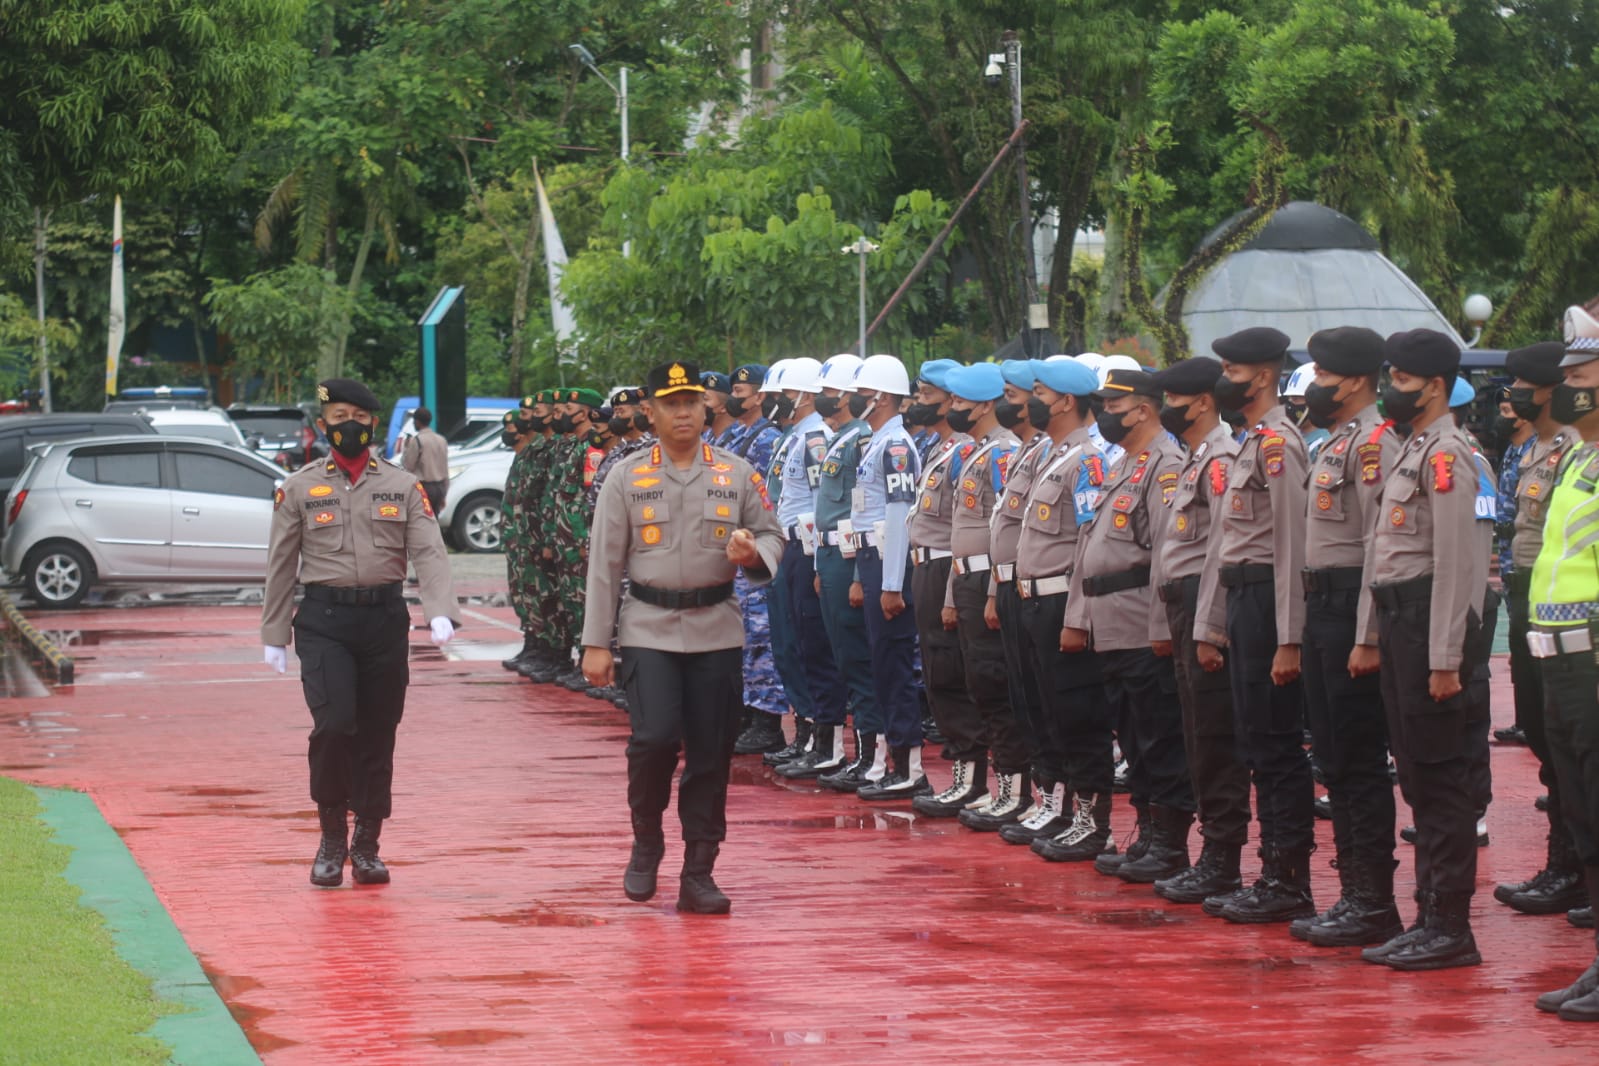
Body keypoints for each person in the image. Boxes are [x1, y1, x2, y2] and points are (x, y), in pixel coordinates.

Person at [580, 360, 785, 914]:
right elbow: (605, 561)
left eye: (691, 402)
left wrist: (754, 556)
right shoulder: (627, 476)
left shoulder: (737, 473)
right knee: (653, 739)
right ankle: (646, 840)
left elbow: (772, 535)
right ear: (650, 411)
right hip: (647, 626)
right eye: (670, 404)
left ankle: (699, 871)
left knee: (711, 752)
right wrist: (595, 642)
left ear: (704, 408)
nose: (683, 413)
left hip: (717, 629)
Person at [261, 378, 458, 887]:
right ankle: (331, 837)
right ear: (323, 424)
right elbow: (281, 563)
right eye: (338, 415)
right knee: (334, 725)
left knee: (377, 732)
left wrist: (440, 609)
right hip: (324, 623)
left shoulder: (402, 484)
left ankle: (366, 845)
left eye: (358, 415)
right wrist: (273, 632)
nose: (349, 424)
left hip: (383, 621)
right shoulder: (300, 487)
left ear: (372, 422)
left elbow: (429, 550)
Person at [1359, 328, 1492, 971]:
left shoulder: (1448, 456)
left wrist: (1445, 657)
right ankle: (1427, 915)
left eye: (1402, 379)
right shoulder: (1412, 450)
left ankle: (1450, 926)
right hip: (1400, 620)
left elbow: (1458, 564)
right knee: (1415, 773)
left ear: (1434, 385)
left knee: (1440, 779)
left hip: (1427, 627)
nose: (1391, 388)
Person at [1193, 326, 1316, 924]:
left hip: (1270, 603)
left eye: (1231, 370)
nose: (1224, 380)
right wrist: (1213, 623)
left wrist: (1290, 637)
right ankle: (1271, 873)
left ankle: (1288, 877)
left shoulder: (1278, 445)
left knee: (1276, 744)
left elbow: (1293, 545)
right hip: (1243, 601)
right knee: (1254, 742)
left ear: (1261, 376)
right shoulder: (1251, 441)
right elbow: (1225, 545)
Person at [1288, 326, 1404, 947]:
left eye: (1324, 376)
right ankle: (1354, 893)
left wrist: (1366, 634)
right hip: (1321, 608)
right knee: (1333, 758)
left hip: (1350, 608)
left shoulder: (1375, 446)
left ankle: (1373, 901)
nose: (1316, 385)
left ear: (1354, 381)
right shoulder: (1335, 442)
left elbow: (1377, 548)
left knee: (1357, 761)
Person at [1064, 366, 1193, 883]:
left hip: (1142, 623)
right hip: (1110, 624)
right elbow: (1091, 546)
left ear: (1143, 409)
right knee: (1134, 739)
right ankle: (1146, 829)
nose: (1106, 416)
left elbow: (1167, 553)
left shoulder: (1165, 465)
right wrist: (1078, 619)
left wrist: (1162, 627)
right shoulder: (1125, 463)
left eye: (1115, 407)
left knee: (1159, 736)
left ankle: (1171, 841)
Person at [1146, 358, 1251, 904]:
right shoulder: (1194, 460)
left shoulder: (1221, 461)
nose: (1168, 409)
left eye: (1175, 399)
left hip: (1205, 608)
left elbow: (1217, 553)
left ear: (1203, 402)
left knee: (1215, 738)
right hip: (1181, 607)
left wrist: (1208, 625)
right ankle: (1212, 855)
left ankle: (1223, 859)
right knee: (1195, 735)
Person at [1495, 342, 1588, 918]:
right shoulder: (1538, 450)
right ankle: (1568, 862)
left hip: (1570, 614)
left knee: (1573, 749)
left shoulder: (1574, 451)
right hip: (1531, 599)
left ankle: (1572, 865)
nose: (1515, 396)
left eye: (1524, 385)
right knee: (1541, 733)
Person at [1527, 304, 1599, 1020]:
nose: (1566, 385)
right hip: (1559, 659)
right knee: (1581, 815)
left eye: (1580, 373)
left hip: (1595, 661)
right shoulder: (1578, 454)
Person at [1012, 358, 1114, 863]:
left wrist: (1078, 615)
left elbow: (1088, 544)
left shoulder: (1087, 461)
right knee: (1050, 713)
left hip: (1062, 601)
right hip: (1034, 599)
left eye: (1039, 392)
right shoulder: (1051, 455)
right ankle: (1067, 811)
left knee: (1079, 715)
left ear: (1066, 401)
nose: (1031, 401)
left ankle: (1093, 823)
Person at [941, 362, 1029, 830]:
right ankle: (1001, 787)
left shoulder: (1001, 454)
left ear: (982, 405)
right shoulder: (975, 452)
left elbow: (1002, 530)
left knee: (996, 686)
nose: (952, 410)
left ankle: (1014, 789)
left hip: (987, 580)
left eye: (959, 403)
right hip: (966, 579)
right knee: (978, 684)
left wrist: (994, 590)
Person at [847, 354, 930, 799]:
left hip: (888, 561)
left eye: (861, 393)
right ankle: (894, 760)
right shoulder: (875, 442)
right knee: (881, 664)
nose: (853, 400)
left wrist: (893, 582)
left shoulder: (896, 446)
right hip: (871, 560)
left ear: (880, 397)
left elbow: (898, 515)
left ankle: (910, 767)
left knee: (895, 666)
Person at [789, 353, 875, 780]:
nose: (821, 400)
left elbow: (864, 509)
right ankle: (858, 754)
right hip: (827, 554)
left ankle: (870, 755)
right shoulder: (841, 438)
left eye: (828, 392)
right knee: (842, 656)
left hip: (849, 557)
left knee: (857, 659)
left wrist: (858, 573)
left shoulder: (861, 439)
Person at [722, 363, 793, 755]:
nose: (737, 397)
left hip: (756, 546)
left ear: (761, 396)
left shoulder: (767, 440)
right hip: (737, 547)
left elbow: (764, 501)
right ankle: (749, 715)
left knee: (762, 639)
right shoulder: (739, 435)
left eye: (742, 391)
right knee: (745, 639)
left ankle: (768, 722)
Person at [401, 406, 450, 514]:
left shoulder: (417, 440)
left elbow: (408, 465)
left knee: (422, 521)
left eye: (414, 421)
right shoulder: (442, 440)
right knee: (434, 520)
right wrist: (444, 494)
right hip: (440, 487)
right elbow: (445, 468)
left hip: (425, 488)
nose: (414, 424)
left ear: (417, 422)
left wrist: (406, 448)